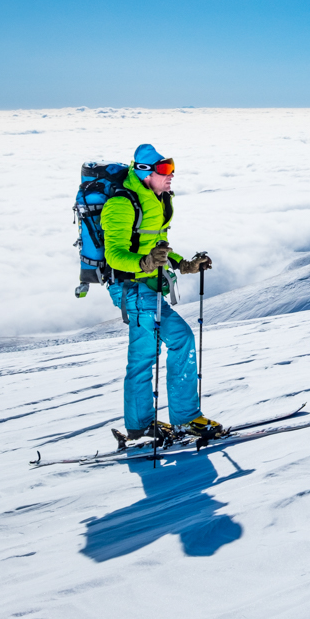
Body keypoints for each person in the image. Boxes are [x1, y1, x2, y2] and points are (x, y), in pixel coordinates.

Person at [101, 143, 221, 440]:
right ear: (145, 173)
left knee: (145, 355)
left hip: (147, 286)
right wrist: (144, 263)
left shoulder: (156, 200)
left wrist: (184, 264)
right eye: (165, 169)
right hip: (131, 288)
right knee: (177, 340)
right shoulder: (121, 204)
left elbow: (156, 247)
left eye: (172, 168)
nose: (171, 175)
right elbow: (113, 255)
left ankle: (141, 425)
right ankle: (183, 418)